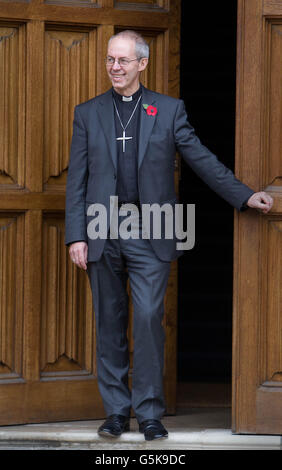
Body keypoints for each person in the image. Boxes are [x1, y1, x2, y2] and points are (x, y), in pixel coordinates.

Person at [65, 30, 273, 441]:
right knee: (109, 322)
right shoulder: (88, 113)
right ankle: (116, 412)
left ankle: (148, 413)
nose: (115, 67)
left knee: (146, 320)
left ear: (142, 64)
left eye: (123, 60)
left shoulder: (169, 109)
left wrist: (244, 196)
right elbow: (77, 180)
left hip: (151, 230)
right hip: (102, 231)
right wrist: (77, 236)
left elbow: (201, 159)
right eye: (110, 59)